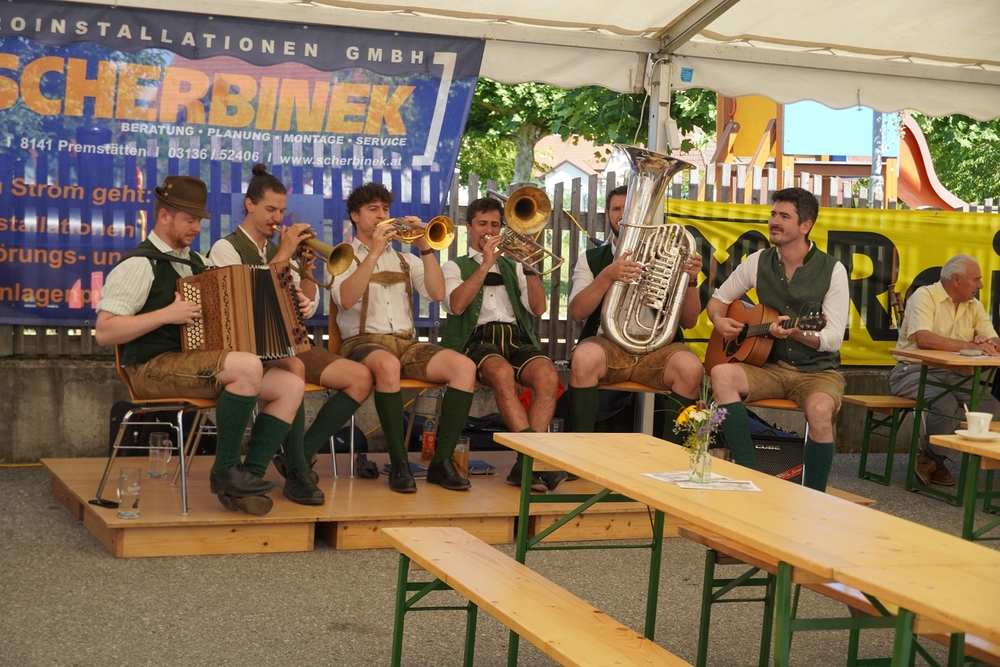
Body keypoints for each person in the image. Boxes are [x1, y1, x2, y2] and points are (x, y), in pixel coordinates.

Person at [95, 175, 305, 515]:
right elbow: (104, 332)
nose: (196, 227)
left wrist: (290, 304)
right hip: (150, 367)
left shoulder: (198, 263)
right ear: (164, 216)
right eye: (189, 220)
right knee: (247, 367)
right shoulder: (140, 264)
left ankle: (246, 479)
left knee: (291, 385)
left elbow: (240, 307)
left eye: (199, 220)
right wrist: (166, 314)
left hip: (194, 363)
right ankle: (225, 471)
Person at [209, 164, 373, 505]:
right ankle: (294, 469)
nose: (277, 218)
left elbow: (305, 307)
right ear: (250, 205)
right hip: (246, 346)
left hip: (287, 342)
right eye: (270, 209)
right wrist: (284, 255)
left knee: (360, 378)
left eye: (281, 211)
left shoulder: (275, 252)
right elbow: (244, 302)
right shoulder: (226, 249)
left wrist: (307, 280)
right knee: (293, 367)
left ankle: (292, 457)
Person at [331, 182, 477, 494]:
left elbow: (437, 294)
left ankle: (441, 462)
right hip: (362, 343)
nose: (381, 215)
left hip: (405, 344)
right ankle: (399, 462)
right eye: (373, 209)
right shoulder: (342, 256)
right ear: (355, 216)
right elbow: (345, 299)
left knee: (464, 368)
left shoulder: (406, 259)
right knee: (387, 365)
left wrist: (425, 247)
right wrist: (374, 252)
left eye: (385, 209)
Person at [707, 187, 848, 492]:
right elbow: (718, 300)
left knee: (820, 410)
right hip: (768, 367)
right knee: (721, 374)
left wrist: (798, 332)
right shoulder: (758, 261)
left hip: (817, 372)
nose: (774, 221)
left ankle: (814, 496)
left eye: (784, 216)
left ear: (805, 226)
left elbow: (833, 338)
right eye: (773, 214)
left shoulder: (833, 270)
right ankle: (749, 475)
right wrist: (719, 320)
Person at [440, 196, 564, 492]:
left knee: (548, 375)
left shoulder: (514, 266)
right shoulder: (454, 266)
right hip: (476, 339)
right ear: (469, 227)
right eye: (482, 224)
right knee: (502, 372)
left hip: (514, 336)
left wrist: (530, 268)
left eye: (495, 225)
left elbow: (538, 309)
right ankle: (534, 459)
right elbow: (455, 305)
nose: (489, 230)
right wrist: (485, 265)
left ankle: (525, 462)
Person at [567, 185, 705, 441]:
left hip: (658, 348)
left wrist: (691, 281)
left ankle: (673, 455)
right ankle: (580, 446)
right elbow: (577, 312)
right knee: (583, 358)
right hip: (609, 344)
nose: (622, 215)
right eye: (616, 209)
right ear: (607, 214)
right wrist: (607, 275)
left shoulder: (669, 255)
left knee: (691, 367)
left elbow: (689, 321)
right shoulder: (592, 259)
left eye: (629, 209)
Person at [889, 254, 1000, 487]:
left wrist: (987, 342)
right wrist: (969, 346)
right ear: (956, 280)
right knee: (945, 404)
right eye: (976, 279)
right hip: (912, 371)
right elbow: (924, 339)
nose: (981, 285)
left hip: (955, 375)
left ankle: (931, 457)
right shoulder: (924, 296)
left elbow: (994, 339)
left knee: (991, 406)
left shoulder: (974, 305)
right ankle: (939, 459)